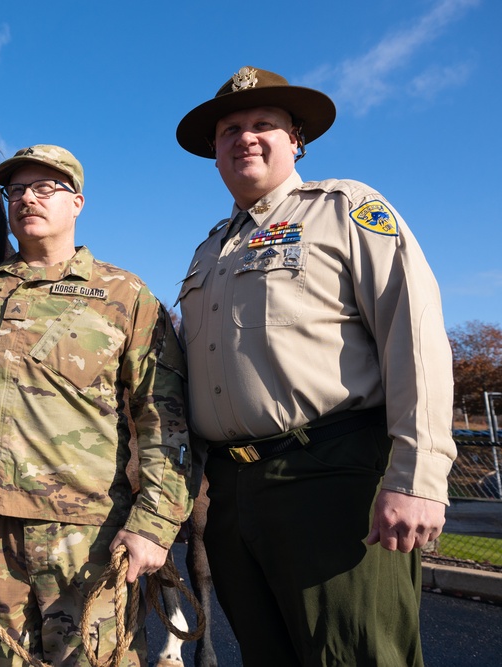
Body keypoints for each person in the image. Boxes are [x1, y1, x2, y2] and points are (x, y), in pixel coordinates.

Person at [175, 67, 456, 665]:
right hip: (230, 493)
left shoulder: (345, 209)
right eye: (230, 130)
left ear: (296, 139)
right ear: (215, 153)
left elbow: (415, 334)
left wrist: (418, 475)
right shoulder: (208, 251)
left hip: (331, 479)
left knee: (357, 656)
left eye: (262, 125)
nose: (244, 138)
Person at [0, 145, 191, 667]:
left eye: (45, 188)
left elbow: (163, 417)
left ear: (77, 202)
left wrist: (154, 522)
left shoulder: (125, 295)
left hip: (87, 528)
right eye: (15, 190)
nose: (27, 199)